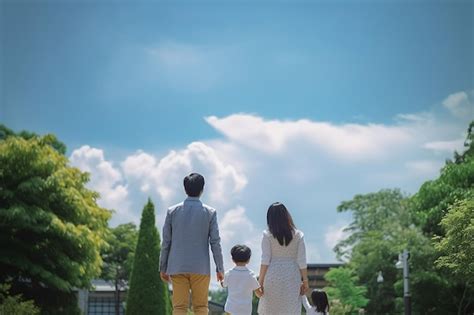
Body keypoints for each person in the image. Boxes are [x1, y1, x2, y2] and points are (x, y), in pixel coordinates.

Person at [159, 173, 224, 315]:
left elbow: (166, 242)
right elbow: (215, 242)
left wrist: (163, 266)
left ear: (185, 189)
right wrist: (220, 268)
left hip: (177, 266)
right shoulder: (210, 212)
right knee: (200, 307)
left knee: (179, 307)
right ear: (202, 189)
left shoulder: (172, 211)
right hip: (201, 267)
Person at [257, 202, 308, 315]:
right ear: (286, 215)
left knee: (271, 310)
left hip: (272, 276)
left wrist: (259, 282)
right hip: (292, 276)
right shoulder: (299, 235)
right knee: (290, 310)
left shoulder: (267, 235)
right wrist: (305, 281)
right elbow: (302, 260)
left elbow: (265, 260)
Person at [222, 245, 263, 315]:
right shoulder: (251, 275)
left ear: (232, 259)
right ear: (248, 260)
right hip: (245, 310)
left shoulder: (228, 274)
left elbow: (223, 284)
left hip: (230, 308)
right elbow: (258, 294)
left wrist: (221, 280)